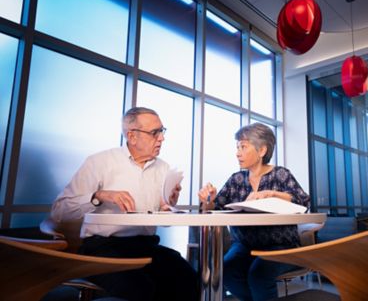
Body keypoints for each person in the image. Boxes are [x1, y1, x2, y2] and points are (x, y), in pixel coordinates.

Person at [50, 107, 198, 301]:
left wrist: (167, 207)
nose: (162, 138)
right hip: (102, 249)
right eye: (155, 132)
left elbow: (164, 222)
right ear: (132, 136)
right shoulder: (99, 162)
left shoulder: (163, 168)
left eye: (163, 131)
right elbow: (59, 210)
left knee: (188, 279)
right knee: (141, 288)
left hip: (145, 246)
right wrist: (99, 195)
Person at [198, 123, 310, 301]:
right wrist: (207, 201)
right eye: (237, 147)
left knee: (258, 274)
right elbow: (214, 210)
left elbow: (303, 201)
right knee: (225, 270)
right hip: (244, 245)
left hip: (280, 245)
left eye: (243, 147)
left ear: (262, 150)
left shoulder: (281, 175)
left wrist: (272, 194)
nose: (237, 153)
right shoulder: (236, 179)